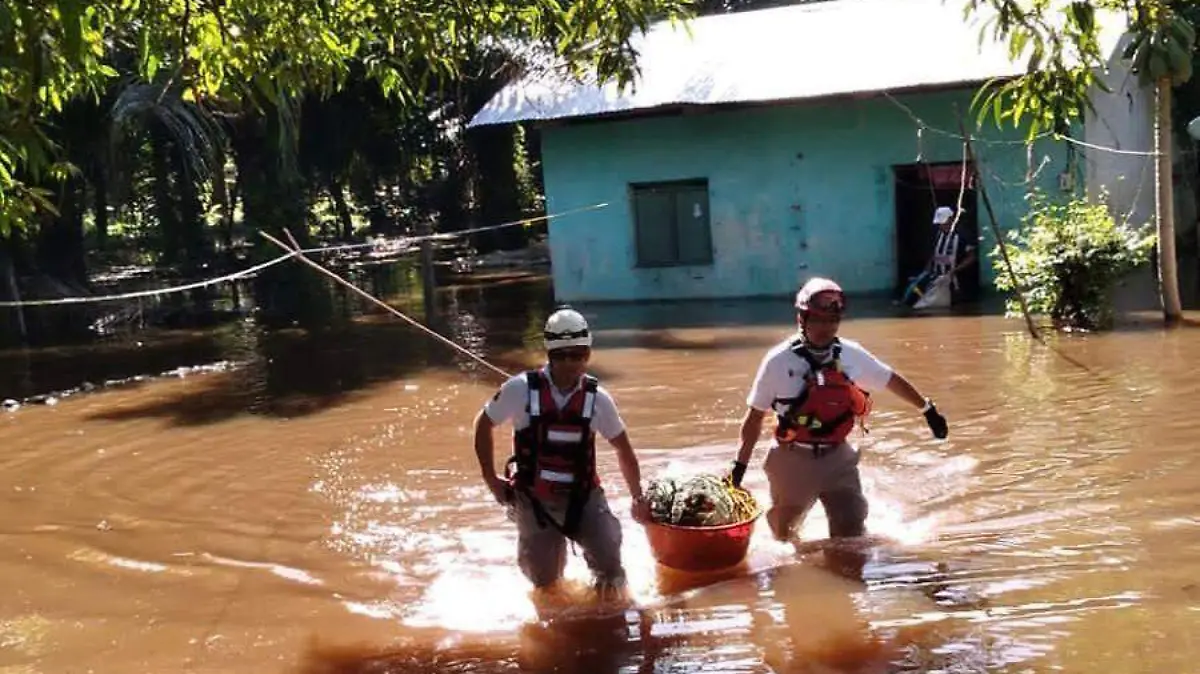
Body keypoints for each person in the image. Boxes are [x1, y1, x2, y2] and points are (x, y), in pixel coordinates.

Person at [728, 277, 948, 545]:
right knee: (784, 541)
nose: (826, 328)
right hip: (792, 459)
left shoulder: (852, 355)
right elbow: (754, 419)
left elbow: (891, 380)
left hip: (838, 458)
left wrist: (927, 409)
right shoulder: (777, 361)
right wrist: (738, 469)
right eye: (819, 320)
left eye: (833, 321)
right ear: (802, 319)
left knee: (851, 534)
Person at [473, 306, 651, 596]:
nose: (570, 363)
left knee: (611, 566)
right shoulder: (519, 390)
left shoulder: (598, 400)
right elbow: (483, 424)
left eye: (577, 355)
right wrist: (491, 480)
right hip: (534, 501)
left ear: (588, 354)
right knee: (545, 585)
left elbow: (624, 451)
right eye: (561, 355)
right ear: (549, 355)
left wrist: (637, 497)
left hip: (584, 498)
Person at [926, 205, 978, 305]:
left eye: (944, 223)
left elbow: (972, 257)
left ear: (951, 219)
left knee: (958, 305)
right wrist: (928, 270)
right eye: (940, 224)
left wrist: (955, 270)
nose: (941, 226)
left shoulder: (963, 234)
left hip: (958, 282)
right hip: (938, 280)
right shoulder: (938, 234)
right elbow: (933, 254)